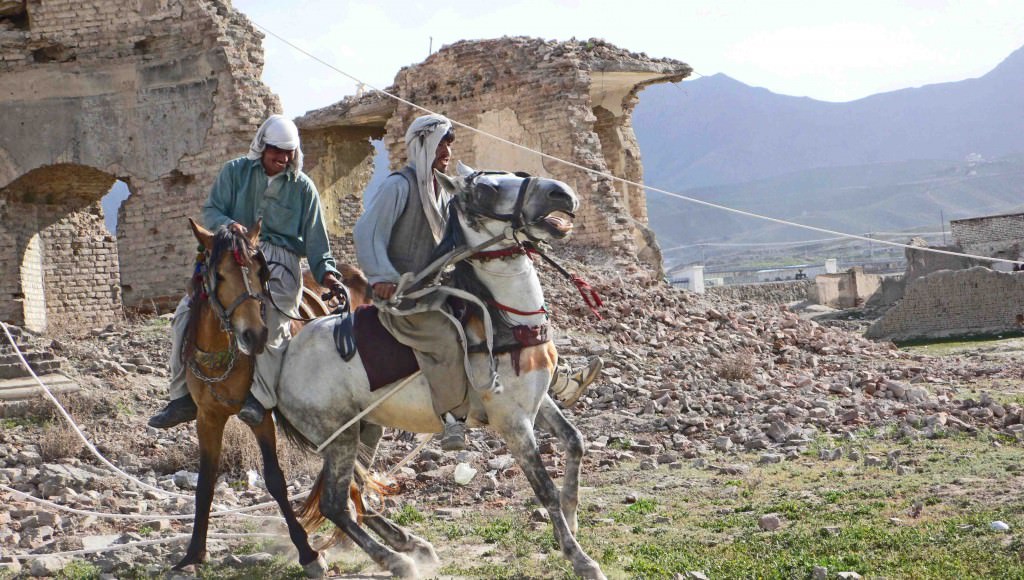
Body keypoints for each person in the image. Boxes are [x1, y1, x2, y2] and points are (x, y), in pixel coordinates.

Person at [353, 114, 601, 452]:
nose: (447, 150)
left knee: (504, 314)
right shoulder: (399, 186)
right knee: (444, 335)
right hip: (404, 296)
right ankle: (452, 416)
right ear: (423, 144)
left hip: (436, 286)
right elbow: (366, 233)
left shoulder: (439, 190)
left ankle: (556, 380)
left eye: (450, 144)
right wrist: (381, 277)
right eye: (441, 143)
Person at [149, 115, 348, 429]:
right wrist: (228, 225)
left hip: (280, 261)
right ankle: (181, 398)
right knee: (184, 315)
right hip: (231, 253)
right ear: (262, 147)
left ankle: (261, 397)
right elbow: (211, 211)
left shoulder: (303, 189)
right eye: (276, 152)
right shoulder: (234, 172)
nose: (282, 159)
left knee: (274, 321)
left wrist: (328, 274)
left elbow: (316, 241)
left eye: (288, 153)